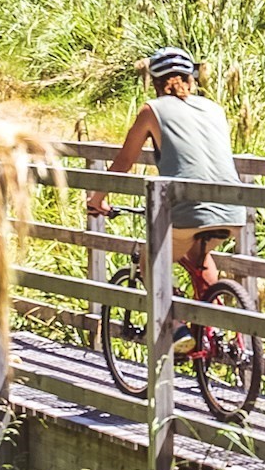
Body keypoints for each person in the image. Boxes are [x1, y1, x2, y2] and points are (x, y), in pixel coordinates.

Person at [85, 46, 245, 295]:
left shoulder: (152, 110)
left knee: (150, 263)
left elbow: (124, 162)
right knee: (198, 255)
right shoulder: (215, 108)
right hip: (233, 210)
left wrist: (97, 199)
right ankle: (216, 325)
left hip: (188, 211)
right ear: (191, 79)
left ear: (154, 83)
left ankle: (179, 332)